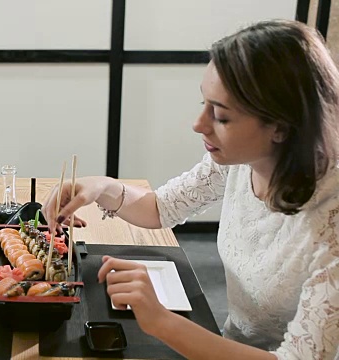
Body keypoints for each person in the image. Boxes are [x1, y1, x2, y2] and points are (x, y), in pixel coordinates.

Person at [44, 19, 339, 359]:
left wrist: (161, 321)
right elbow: (159, 208)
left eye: (222, 117)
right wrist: (98, 186)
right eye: (204, 104)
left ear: (281, 127)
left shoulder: (329, 226)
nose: (198, 125)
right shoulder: (240, 163)